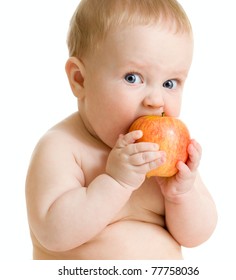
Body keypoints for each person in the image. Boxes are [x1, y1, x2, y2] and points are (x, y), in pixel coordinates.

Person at [26, 0, 217, 260]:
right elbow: (52, 232)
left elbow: (197, 235)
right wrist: (117, 183)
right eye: (133, 78)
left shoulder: (165, 161)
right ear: (80, 80)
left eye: (170, 83)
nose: (156, 100)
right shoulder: (63, 147)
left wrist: (181, 194)